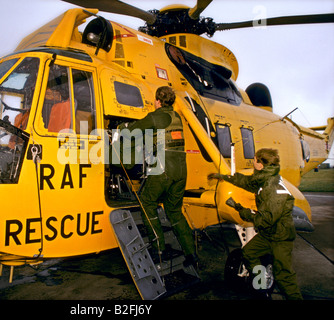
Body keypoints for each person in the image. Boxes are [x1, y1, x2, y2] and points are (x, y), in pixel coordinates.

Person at [208, 148, 303, 300]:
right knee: (249, 253)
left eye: (254, 159)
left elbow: (264, 220)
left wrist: (240, 209)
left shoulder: (273, 189)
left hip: (280, 237)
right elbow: (247, 182)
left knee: (284, 276)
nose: (252, 161)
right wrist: (223, 177)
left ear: (260, 164)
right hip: (268, 233)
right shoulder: (265, 178)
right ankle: (261, 288)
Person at [118, 86, 196, 266]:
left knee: (146, 202)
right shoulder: (176, 117)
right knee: (174, 210)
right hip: (181, 169)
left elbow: (133, 131)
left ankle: (158, 249)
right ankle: (191, 253)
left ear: (158, 101)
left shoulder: (155, 116)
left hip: (163, 168)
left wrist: (122, 126)